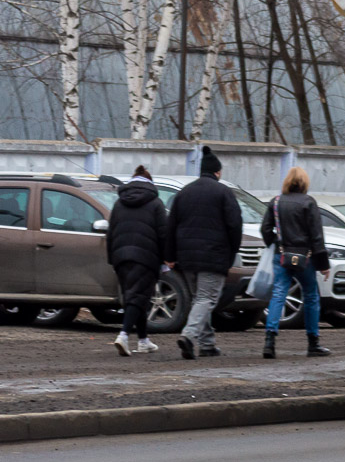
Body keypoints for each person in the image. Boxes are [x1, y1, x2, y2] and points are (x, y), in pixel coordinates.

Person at [167, 145, 243, 359]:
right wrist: (231, 254)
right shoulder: (224, 192)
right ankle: (189, 336)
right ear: (217, 172)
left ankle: (207, 344)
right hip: (213, 256)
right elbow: (235, 226)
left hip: (187, 257)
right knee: (206, 299)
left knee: (199, 299)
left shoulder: (184, 193)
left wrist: (170, 255)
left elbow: (171, 225)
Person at [260, 166, 332, 358]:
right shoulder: (309, 203)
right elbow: (317, 236)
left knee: (278, 293)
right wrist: (323, 264)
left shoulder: (275, 202)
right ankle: (313, 342)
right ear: (304, 183)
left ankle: (270, 341)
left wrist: (274, 245)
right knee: (311, 296)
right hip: (305, 258)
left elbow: (265, 229)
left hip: (282, 255)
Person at [105, 165, 168, 355]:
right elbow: (163, 234)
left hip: (121, 257)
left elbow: (111, 232)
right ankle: (123, 335)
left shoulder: (118, 203)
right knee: (138, 296)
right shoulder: (156, 203)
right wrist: (166, 259)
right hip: (146, 257)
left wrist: (112, 258)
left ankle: (143, 340)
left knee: (135, 296)